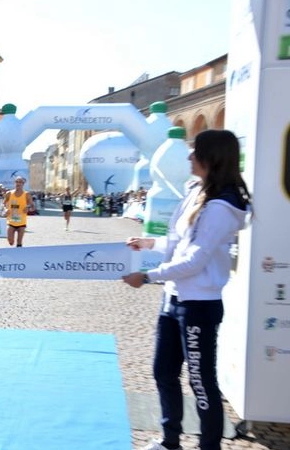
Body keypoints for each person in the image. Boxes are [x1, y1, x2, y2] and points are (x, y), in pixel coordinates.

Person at [122, 129, 251, 450]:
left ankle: (209, 445)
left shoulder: (222, 206)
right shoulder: (196, 192)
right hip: (174, 298)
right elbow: (181, 244)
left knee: (200, 381)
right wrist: (148, 243)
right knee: (163, 372)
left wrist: (149, 276)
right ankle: (170, 440)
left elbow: (195, 260)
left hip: (198, 305)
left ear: (211, 158)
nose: (188, 157)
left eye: (195, 152)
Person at [2, 176, 34, 247]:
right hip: (11, 221)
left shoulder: (26, 194)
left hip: (21, 222)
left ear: (23, 184)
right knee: (10, 242)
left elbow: (32, 206)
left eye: (20, 182)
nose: (18, 183)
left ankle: (19, 256)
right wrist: (5, 209)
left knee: (19, 242)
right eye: (16, 181)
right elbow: (3, 203)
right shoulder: (9, 193)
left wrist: (28, 207)